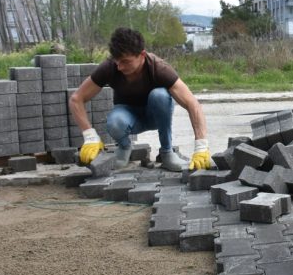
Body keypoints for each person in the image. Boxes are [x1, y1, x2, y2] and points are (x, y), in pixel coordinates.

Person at [69, 27, 212, 172]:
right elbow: (76, 99)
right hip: (128, 118)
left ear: (142, 55)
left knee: (160, 95)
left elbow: (192, 104)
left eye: (125, 61)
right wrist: (89, 136)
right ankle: (124, 147)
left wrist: (201, 146)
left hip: (155, 116)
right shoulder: (110, 67)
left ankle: (167, 152)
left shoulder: (158, 68)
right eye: (117, 61)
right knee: (115, 121)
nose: (119, 67)